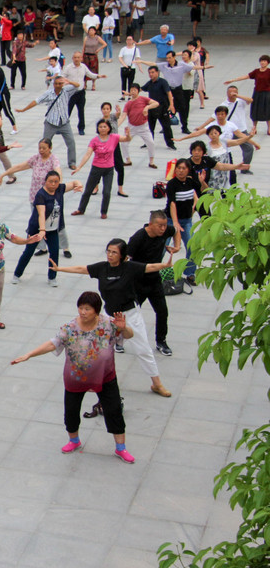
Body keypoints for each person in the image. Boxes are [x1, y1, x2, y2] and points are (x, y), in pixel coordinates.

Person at [11, 291, 137, 463]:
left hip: (105, 376)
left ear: (97, 310)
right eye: (80, 308)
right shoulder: (70, 327)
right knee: (71, 411)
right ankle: (74, 441)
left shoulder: (108, 323)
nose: (83, 312)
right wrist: (29, 355)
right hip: (75, 378)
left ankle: (121, 448)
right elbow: (52, 343)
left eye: (87, 309)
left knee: (114, 410)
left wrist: (123, 327)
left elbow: (129, 335)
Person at [49, 238, 173, 397]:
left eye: (114, 252)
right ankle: (94, 381)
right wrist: (60, 269)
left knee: (143, 350)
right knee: (98, 351)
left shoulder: (130, 268)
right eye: (108, 251)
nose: (110, 255)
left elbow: (150, 267)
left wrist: (166, 265)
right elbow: (82, 269)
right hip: (108, 316)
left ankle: (157, 384)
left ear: (122, 255)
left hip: (130, 315)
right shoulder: (102, 268)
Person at [11, 171, 83, 285]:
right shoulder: (41, 194)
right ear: (45, 181)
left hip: (53, 229)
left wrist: (79, 184)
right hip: (37, 229)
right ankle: (17, 274)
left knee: (54, 253)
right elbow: (41, 213)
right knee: (28, 252)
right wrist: (42, 230)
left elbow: (74, 182)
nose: (53, 184)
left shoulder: (60, 189)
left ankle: (52, 277)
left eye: (56, 182)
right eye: (50, 181)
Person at [126, 211, 182, 357]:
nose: (163, 229)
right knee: (130, 313)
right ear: (151, 224)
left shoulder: (165, 231)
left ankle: (161, 342)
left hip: (155, 281)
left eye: (164, 226)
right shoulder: (138, 238)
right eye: (160, 226)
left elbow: (176, 230)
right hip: (138, 282)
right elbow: (126, 260)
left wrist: (177, 246)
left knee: (162, 311)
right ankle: (118, 340)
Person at [16, 76, 81, 169]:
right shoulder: (49, 93)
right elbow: (36, 101)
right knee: (44, 144)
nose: (58, 85)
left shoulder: (66, 91)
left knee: (71, 142)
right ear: (53, 84)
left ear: (62, 84)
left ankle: (72, 162)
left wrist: (69, 81)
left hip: (64, 122)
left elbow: (77, 85)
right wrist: (23, 110)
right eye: (56, 83)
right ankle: (42, 160)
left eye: (60, 83)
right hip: (51, 122)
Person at [70, 119, 121, 218]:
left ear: (109, 128)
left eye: (104, 127)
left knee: (106, 192)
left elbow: (126, 139)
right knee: (88, 190)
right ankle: (81, 209)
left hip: (109, 169)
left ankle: (104, 212)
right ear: (97, 128)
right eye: (100, 127)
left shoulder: (114, 137)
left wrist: (128, 135)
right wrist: (79, 167)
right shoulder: (94, 140)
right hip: (96, 168)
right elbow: (88, 154)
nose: (102, 129)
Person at [165, 159, 202, 284]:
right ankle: (152, 272)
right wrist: (175, 223)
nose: (181, 171)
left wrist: (202, 182)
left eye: (184, 168)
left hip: (186, 221)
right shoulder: (172, 184)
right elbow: (172, 203)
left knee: (192, 247)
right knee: (161, 246)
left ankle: (190, 273)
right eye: (179, 168)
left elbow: (201, 194)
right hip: (170, 220)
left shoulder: (191, 182)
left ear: (188, 170)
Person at [223, 54, 270, 136]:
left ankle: (269, 128)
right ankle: (254, 127)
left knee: (267, 110)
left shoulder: (269, 71)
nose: (262, 63)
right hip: (257, 93)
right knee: (255, 110)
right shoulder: (256, 71)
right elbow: (246, 76)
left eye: (264, 61)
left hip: (267, 93)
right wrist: (233, 80)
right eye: (261, 61)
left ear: (268, 63)